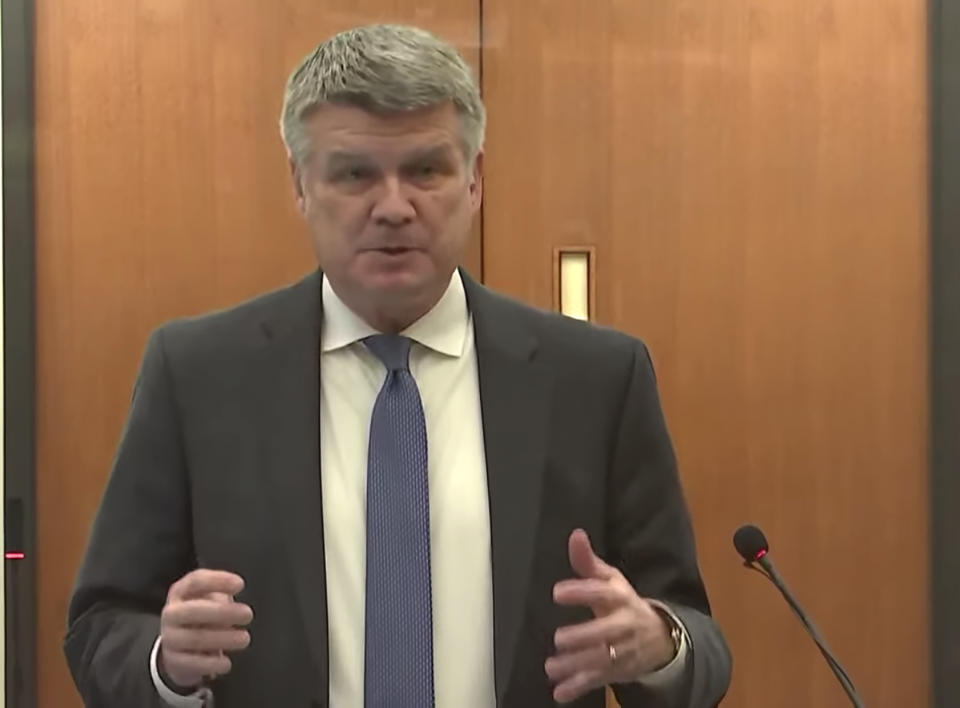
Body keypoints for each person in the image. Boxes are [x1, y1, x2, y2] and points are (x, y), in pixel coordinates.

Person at [64, 24, 731, 708]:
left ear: (473, 180)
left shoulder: (596, 379)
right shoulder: (198, 374)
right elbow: (100, 630)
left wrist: (658, 644)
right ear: (300, 184)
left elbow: (697, 642)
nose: (392, 207)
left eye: (425, 170)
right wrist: (166, 662)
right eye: (354, 174)